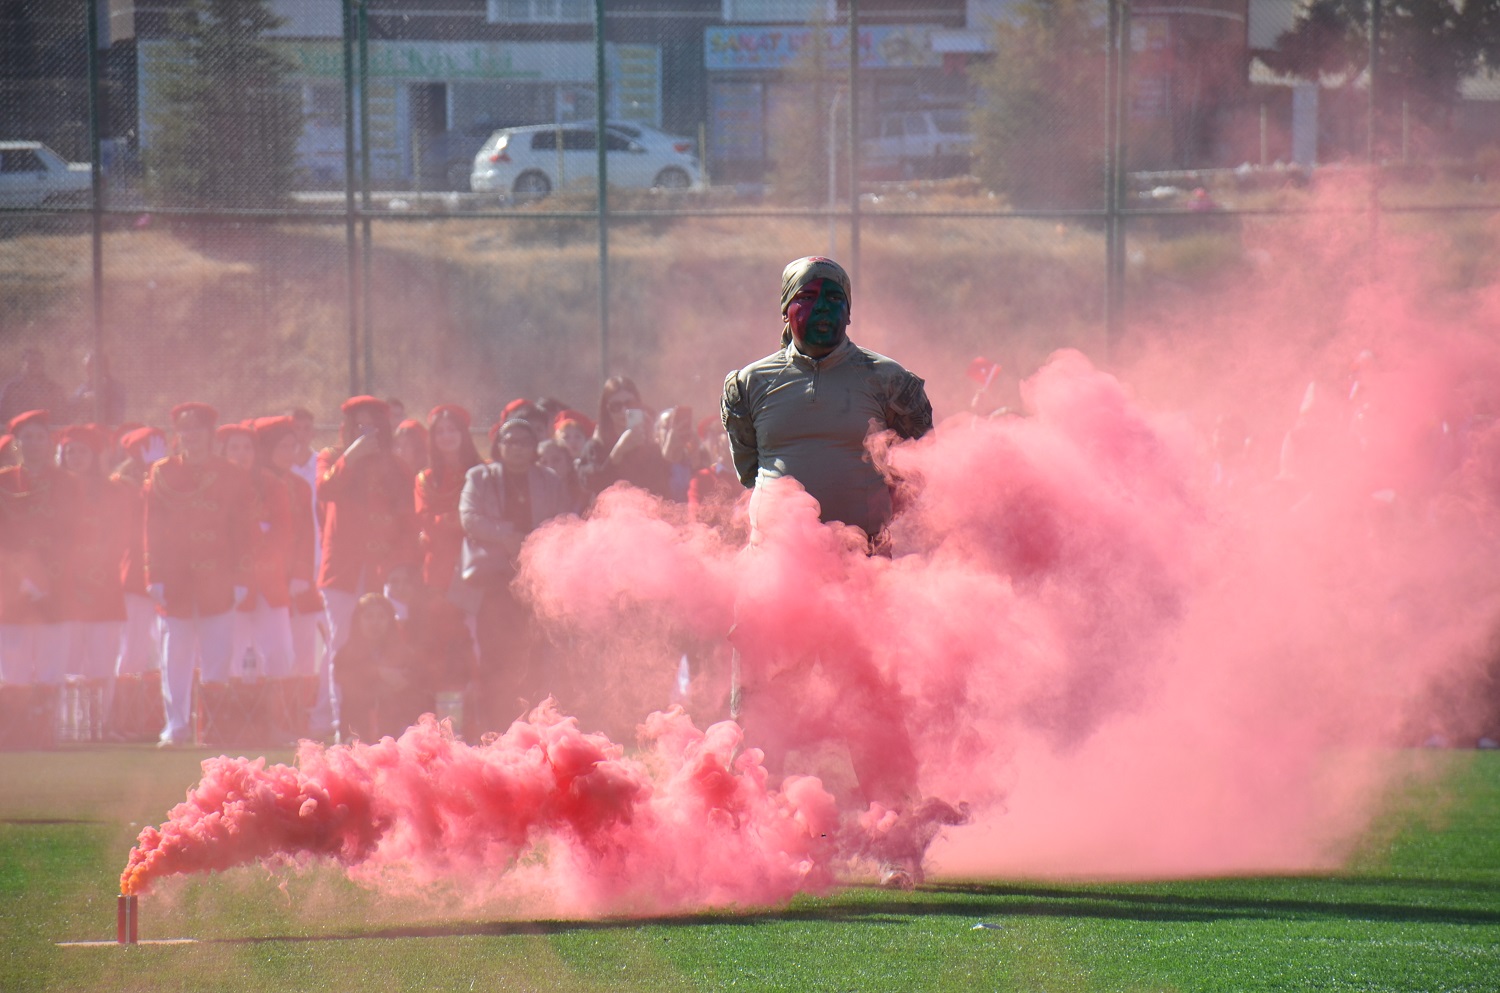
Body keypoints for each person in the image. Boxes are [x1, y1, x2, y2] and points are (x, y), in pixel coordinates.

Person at [720, 256, 951, 888]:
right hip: (776, 573)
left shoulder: (890, 381)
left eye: (836, 299)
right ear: (785, 308)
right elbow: (751, 468)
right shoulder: (747, 384)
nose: (822, 311)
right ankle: (752, 842)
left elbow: (920, 466)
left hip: (865, 570)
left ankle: (892, 845)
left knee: (870, 702)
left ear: (851, 310)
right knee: (763, 703)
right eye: (809, 297)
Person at [144, 402, 254, 746]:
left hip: (218, 576)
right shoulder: (162, 473)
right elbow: (152, 527)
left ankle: (212, 725)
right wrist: (153, 575)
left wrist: (242, 577)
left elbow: (243, 529)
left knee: (217, 655)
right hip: (175, 578)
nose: (191, 435)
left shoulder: (232, 473)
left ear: (210, 434)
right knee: (174, 655)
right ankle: (175, 726)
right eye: (185, 428)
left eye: (197, 428)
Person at [315, 395, 420, 739]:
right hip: (342, 571)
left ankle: (390, 725)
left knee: (390, 641)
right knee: (343, 645)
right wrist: (353, 455)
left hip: (384, 570)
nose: (367, 432)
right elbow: (325, 488)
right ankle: (343, 726)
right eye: (359, 425)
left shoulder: (398, 467)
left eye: (373, 426)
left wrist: (399, 568)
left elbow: (408, 522)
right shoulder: (331, 457)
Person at [459, 416, 568, 731]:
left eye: (525, 442)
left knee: (534, 658)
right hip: (494, 584)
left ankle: (533, 728)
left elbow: (564, 518)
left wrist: (535, 541)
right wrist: (505, 535)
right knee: (495, 658)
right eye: (511, 442)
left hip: (537, 583)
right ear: (499, 445)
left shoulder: (549, 480)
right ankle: (494, 729)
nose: (518, 448)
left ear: (534, 447)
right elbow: (468, 517)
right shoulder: (479, 477)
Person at [0, 410, 75, 748]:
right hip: (11, 589)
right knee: (11, 667)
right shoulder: (4, 482)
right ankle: (13, 733)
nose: (33, 444)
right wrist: (20, 576)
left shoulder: (65, 483)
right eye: (26, 437)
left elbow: (72, 535)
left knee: (50, 665)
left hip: (55, 587)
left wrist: (49, 581)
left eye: (39, 437)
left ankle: (46, 733)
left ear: (50, 442)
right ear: (17, 443)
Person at [57, 423, 131, 741]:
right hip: (67, 588)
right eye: (70, 451)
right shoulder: (53, 489)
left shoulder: (113, 490)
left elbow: (124, 533)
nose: (76, 457)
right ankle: (67, 725)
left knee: (103, 659)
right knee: (68, 660)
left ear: (95, 455)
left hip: (105, 586)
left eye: (82, 451)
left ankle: (101, 724)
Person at [108, 425, 166, 740]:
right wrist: (151, 475)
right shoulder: (121, 485)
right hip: (135, 575)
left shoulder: (163, 478)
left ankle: (151, 715)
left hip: (166, 574)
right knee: (133, 647)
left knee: (162, 649)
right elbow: (140, 518)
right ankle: (123, 719)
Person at [332, 593, 423, 741]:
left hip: (395, 730)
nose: (375, 622)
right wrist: (379, 673)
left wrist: (406, 681)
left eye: (381, 617)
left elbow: (418, 678)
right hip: (356, 730)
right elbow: (346, 679)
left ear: (390, 620)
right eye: (368, 617)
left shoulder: (402, 651)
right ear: (358, 620)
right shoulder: (346, 653)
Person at [415, 404, 482, 593]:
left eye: (452, 430)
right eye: (440, 432)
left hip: (478, 563)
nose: (446, 437)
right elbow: (426, 521)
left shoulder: (482, 472)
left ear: (463, 434)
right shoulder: (425, 479)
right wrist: (466, 521)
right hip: (439, 565)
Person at [577, 376, 671, 501]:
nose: (624, 410)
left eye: (629, 404)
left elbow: (662, 487)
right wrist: (617, 452)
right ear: (607, 410)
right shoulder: (596, 447)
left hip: (646, 516)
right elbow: (592, 484)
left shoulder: (651, 445)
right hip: (610, 517)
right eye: (616, 406)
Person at [0, 349, 68, 426]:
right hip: (18, 428)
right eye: (29, 362)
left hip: (45, 429)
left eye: (36, 362)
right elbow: (2, 410)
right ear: (22, 364)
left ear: (42, 365)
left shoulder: (52, 388)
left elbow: (62, 413)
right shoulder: (11, 388)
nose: (33, 365)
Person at [69, 351, 127, 426]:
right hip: (88, 430)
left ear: (104, 368)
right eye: (87, 367)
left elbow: (118, 415)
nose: (88, 370)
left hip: (109, 430)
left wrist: (102, 399)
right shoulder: (85, 387)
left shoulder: (116, 387)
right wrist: (82, 401)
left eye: (91, 366)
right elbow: (71, 406)